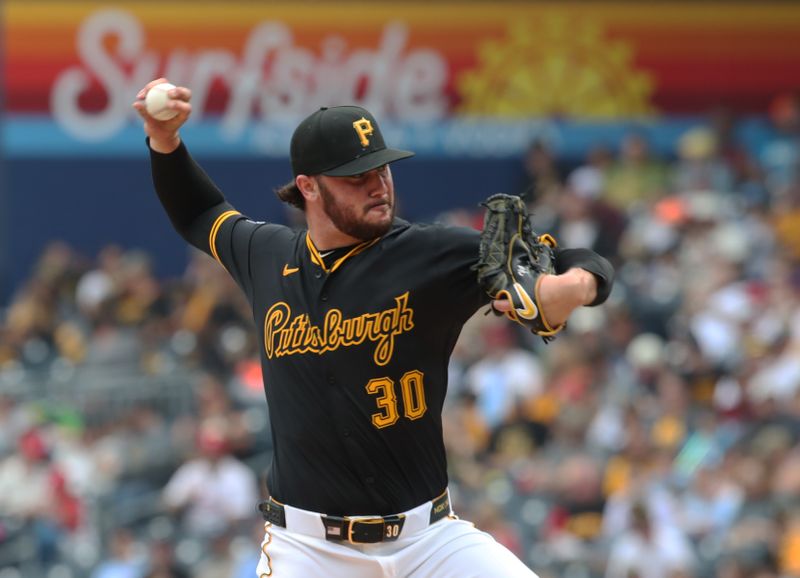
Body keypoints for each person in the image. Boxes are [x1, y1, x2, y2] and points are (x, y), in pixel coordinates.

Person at [134, 77, 614, 578]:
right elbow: (200, 213)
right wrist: (165, 143)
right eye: (356, 176)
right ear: (309, 187)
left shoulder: (435, 254)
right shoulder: (267, 256)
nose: (377, 184)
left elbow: (574, 258)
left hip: (429, 540)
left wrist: (574, 286)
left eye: (381, 168)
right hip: (309, 550)